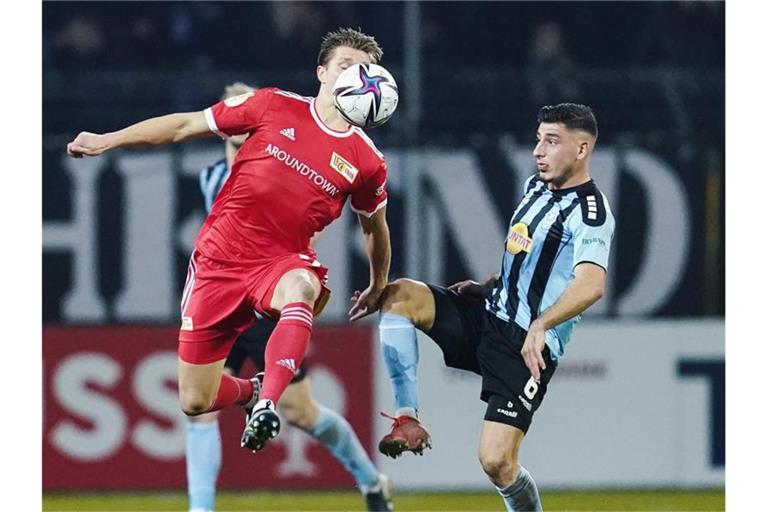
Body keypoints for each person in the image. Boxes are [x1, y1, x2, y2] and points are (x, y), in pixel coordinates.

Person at [67, 28, 392, 456]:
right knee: (194, 399)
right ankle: (252, 391)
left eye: (365, 69)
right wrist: (109, 139)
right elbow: (185, 124)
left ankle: (269, 403)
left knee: (302, 288)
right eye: (345, 65)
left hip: (280, 261)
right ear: (321, 72)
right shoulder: (273, 105)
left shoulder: (367, 161)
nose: (356, 75)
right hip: (218, 259)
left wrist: (378, 283)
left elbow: (375, 228)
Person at [363, 103, 614, 511]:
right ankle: (406, 416)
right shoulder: (536, 188)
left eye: (552, 142)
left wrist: (540, 326)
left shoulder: (591, 213)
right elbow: (528, 257)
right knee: (399, 295)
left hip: (528, 345)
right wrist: (488, 285)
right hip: (490, 315)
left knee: (497, 461)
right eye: (538, 140)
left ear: (582, 149)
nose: (539, 151)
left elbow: (591, 284)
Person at [185, 82, 393, 512]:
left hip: (268, 304)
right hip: (225, 295)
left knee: (302, 412)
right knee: (197, 406)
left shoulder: (285, 159)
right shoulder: (212, 176)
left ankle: (370, 481)